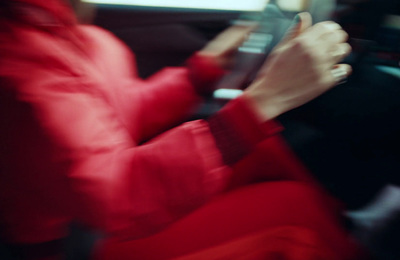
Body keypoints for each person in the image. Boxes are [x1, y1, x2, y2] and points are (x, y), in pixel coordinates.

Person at [0, 0, 368, 259]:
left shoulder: (65, 31)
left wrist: (202, 69)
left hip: (100, 213)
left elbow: (121, 112)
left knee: (266, 154)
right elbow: (114, 194)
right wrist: (262, 103)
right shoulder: (20, 65)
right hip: (80, 240)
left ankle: (352, 227)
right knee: (294, 211)